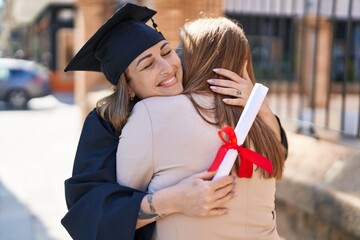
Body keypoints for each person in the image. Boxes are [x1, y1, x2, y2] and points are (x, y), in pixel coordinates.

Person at [61, 3, 282, 240]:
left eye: (167, 52)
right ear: (129, 87)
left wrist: (258, 107)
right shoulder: (105, 124)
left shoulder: (206, 100)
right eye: (147, 65)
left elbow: (275, 153)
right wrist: (174, 200)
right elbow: (91, 216)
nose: (168, 67)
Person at [116, 16, 287, 240]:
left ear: (190, 58)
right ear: (244, 65)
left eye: (176, 52)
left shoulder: (153, 113)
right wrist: (260, 106)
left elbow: (120, 208)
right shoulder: (264, 125)